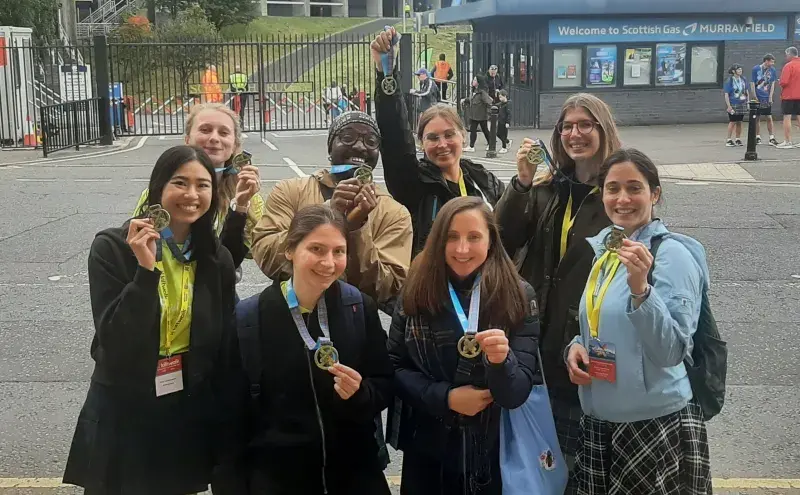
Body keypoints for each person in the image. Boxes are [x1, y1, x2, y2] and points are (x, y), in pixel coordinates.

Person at [63, 146, 242, 494]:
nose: (192, 195)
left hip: (184, 405)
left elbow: (222, 343)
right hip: (125, 404)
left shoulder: (215, 257)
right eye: (180, 182)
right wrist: (145, 272)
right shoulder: (112, 248)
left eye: (202, 185)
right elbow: (114, 340)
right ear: (159, 186)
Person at [495, 93, 622, 494]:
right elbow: (505, 236)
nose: (575, 134)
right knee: (539, 456)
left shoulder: (615, 191)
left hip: (584, 345)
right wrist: (521, 183)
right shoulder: (549, 188)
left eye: (586, 125)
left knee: (581, 460)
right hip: (537, 341)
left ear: (603, 130)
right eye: (567, 126)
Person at [567, 148, 711, 494]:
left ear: (655, 194)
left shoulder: (672, 255)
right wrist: (576, 347)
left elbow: (672, 351)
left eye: (635, 188)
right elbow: (600, 319)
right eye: (613, 188)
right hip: (602, 423)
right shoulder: (607, 249)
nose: (622, 199)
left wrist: (641, 289)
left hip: (652, 426)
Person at [387, 196, 541, 495]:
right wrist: (446, 397)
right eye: (452, 237)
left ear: (491, 241)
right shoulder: (416, 289)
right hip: (428, 449)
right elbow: (393, 366)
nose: (462, 249)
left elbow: (517, 392)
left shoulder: (518, 295)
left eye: (474, 237)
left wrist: (502, 362)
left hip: (493, 450)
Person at [240, 204, 393, 494]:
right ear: (290, 250)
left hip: (353, 474)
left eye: (339, 251)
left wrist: (361, 394)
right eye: (317, 249)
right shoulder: (251, 318)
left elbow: (384, 383)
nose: (329, 262)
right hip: (280, 479)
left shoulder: (359, 308)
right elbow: (232, 414)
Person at [251, 111, 412, 310]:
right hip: (287, 311)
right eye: (347, 138)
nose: (360, 146)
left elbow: (389, 287)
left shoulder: (394, 213)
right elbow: (266, 255)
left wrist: (357, 230)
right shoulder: (290, 191)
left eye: (371, 141)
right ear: (330, 147)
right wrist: (328, 214)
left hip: (356, 321)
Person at [371, 27, 505, 257]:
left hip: (483, 285)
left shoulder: (483, 179)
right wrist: (387, 73)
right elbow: (395, 137)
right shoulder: (414, 183)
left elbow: (510, 226)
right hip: (434, 287)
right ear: (421, 143)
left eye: (449, 135)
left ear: (463, 136)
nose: (442, 144)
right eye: (432, 138)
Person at [134, 103, 264, 271]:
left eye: (223, 132)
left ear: (234, 145)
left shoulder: (249, 197)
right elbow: (135, 243)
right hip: (159, 282)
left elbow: (256, 250)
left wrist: (240, 208)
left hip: (216, 286)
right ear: (187, 139)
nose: (214, 138)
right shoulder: (159, 193)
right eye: (205, 130)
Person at [750, 54, 778, 146]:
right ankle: (757, 137)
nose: (773, 63)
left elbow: (773, 83)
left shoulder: (772, 70)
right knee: (757, 117)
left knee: (769, 117)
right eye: (772, 61)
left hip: (766, 97)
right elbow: (752, 83)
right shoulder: (756, 69)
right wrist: (754, 95)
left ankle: (772, 137)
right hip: (758, 96)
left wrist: (770, 96)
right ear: (766, 61)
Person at [777, 46, 800, 149]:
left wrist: (779, 81)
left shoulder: (788, 66)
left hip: (789, 96)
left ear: (790, 54)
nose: (786, 57)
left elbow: (784, 82)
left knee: (787, 117)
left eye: (786, 55)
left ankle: (788, 141)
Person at [463, 74, 493, 153]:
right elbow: (472, 99)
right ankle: (472, 146)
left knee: (484, 130)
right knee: (474, 130)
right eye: (473, 80)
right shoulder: (474, 91)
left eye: (475, 80)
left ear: (479, 82)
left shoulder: (482, 92)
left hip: (481, 116)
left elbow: (489, 103)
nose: (473, 81)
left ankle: (490, 144)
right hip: (474, 115)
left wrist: (489, 114)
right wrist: (465, 100)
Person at [723, 64, 748, 147]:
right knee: (732, 121)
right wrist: (729, 106)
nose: (740, 71)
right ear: (734, 71)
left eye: (741, 69)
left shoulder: (743, 79)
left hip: (742, 103)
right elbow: (726, 94)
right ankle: (729, 139)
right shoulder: (729, 80)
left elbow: (746, 91)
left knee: (739, 122)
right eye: (738, 69)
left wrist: (747, 101)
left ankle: (738, 139)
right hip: (733, 103)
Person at [496, 89, 512, 154]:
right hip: (500, 121)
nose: (499, 98)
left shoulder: (507, 104)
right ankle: (508, 141)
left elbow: (509, 114)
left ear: (505, 96)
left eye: (500, 97)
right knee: (498, 134)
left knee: (504, 135)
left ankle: (504, 148)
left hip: (505, 122)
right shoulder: (501, 104)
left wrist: (508, 122)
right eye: (499, 97)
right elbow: (496, 105)